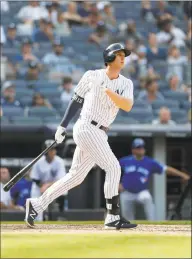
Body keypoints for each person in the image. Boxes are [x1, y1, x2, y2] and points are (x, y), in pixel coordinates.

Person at [25, 43, 137, 230]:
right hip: (86, 127)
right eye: (118, 54)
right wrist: (62, 126)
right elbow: (76, 100)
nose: (123, 57)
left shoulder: (126, 83)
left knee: (75, 176)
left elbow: (127, 106)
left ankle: (36, 205)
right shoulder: (92, 76)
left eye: (124, 54)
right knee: (113, 167)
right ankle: (113, 216)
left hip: (100, 132)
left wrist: (108, 91)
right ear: (109, 57)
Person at [119, 138, 190, 220]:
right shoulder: (125, 160)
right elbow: (111, 169)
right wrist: (116, 183)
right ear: (133, 150)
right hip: (127, 192)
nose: (141, 149)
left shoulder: (150, 162)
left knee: (147, 199)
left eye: (142, 147)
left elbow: (166, 169)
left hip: (141, 192)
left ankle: (153, 223)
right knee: (128, 218)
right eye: (138, 148)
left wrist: (183, 175)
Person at [30, 140, 67, 221]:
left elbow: (61, 179)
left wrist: (48, 186)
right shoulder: (38, 162)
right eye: (51, 149)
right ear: (45, 151)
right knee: (35, 195)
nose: (53, 151)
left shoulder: (59, 162)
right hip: (39, 187)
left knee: (64, 190)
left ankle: (60, 214)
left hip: (54, 186)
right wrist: (43, 186)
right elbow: (35, 178)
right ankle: (37, 218)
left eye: (54, 149)